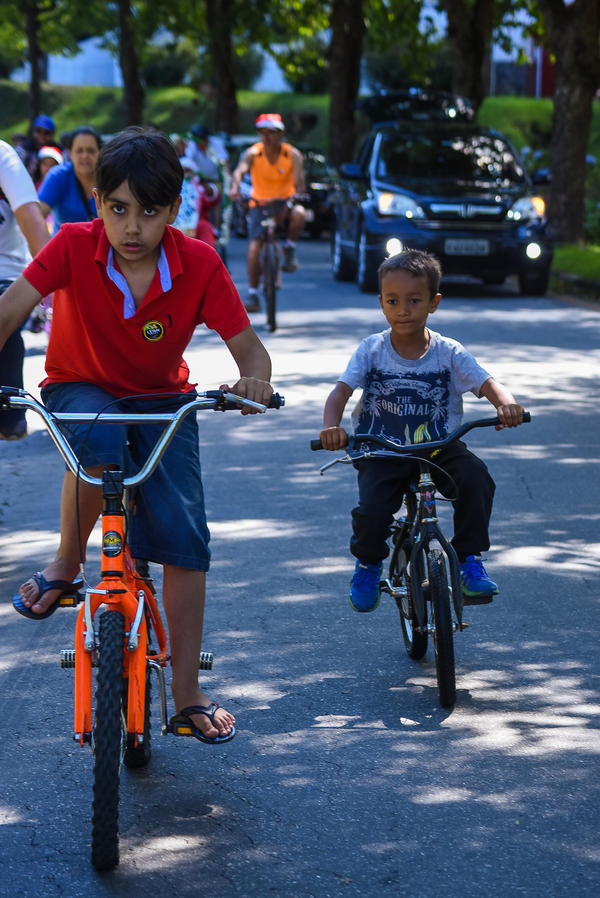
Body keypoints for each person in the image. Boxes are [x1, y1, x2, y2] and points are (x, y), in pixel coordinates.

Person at [0, 127, 274, 743]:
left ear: (175, 212)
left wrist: (252, 383)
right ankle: (69, 561)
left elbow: (251, 354)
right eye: (117, 209)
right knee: (98, 442)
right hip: (80, 386)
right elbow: (10, 311)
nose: (132, 227)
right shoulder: (70, 246)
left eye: (149, 212)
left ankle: (185, 691)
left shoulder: (198, 262)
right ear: (97, 204)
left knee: (184, 536)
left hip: (163, 401)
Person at [319, 249, 525, 613]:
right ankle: (368, 565)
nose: (403, 310)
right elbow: (341, 392)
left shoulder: (449, 352)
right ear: (381, 303)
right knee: (372, 511)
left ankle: (468, 560)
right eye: (393, 301)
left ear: (434, 302)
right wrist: (330, 427)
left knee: (476, 478)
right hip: (381, 449)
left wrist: (506, 405)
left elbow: (489, 383)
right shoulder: (372, 350)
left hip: (439, 447)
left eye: (414, 300)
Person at [0, 140, 51, 440]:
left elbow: (32, 222)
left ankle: (10, 410)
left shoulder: (3, 157)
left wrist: (53, 285)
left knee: (6, 313)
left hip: (6, 273)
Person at [230, 113, 306, 312]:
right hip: (259, 204)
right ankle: (253, 294)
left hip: (284, 203)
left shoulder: (292, 155)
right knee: (254, 247)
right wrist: (235, 187)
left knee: (300, 212)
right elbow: (239, 170)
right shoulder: (254, 153)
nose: (266, 137)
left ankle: (289, 247)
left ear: (281, 133)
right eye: (262, 132)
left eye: (271, 132)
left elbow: (299, 182)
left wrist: (297, 194)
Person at [37, 125, 101, 232]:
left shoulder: (109, 178)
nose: (85, 155)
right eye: (79, 151)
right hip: (63, 248)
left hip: (101, 247)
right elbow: (36, 218)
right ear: (70, 153)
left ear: (100, 153)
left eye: (91, 151)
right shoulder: (58, 176)